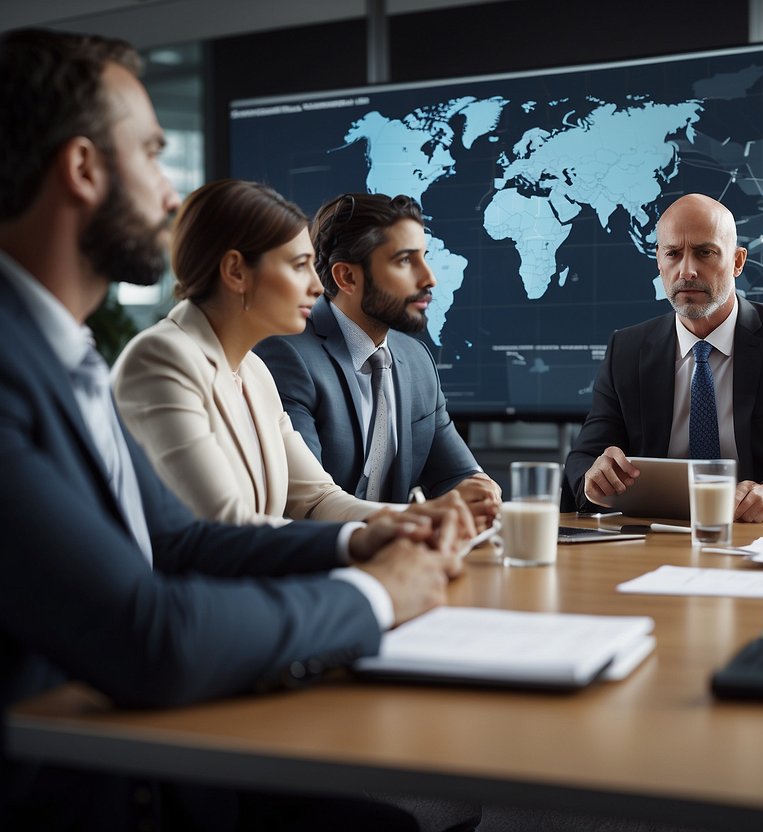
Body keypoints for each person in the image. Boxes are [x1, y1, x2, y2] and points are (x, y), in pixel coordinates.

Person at [0, 28, 471, 829]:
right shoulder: (29, 367)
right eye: (151, 153)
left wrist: (360, 541)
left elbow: (180, 542)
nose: (171, 194)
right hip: (72, 789)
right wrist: (373, 594)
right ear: (82, 169)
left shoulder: (64, 354)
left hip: (137, 750)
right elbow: (147, 635)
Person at [112, 178, 464, 529]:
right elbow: (227, 528)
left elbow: (317, 499)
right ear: (236, 271)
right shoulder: (161, 359)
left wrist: (421, 521)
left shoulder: (253, 372)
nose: (316, 286)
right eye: (299, 266)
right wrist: (365, 540)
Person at [563, 193, 763, 521]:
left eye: (705, 252)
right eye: (673, 253)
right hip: (654, 535)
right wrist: (594, 477)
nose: (687, 270)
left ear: (738, 261)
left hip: (759, 537)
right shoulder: (626, 350)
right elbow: (583, 459)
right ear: (659, 261)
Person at [255, 193, 501, 526]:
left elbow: (456, 475)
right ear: (348, 278)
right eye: (404, 260)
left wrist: (478, 489)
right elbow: (305, 505)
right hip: (324, 563)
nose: (429, 278)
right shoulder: (287, 354)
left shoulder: (416, 359)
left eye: (424, 257)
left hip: (407, 562)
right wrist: (415, 519)